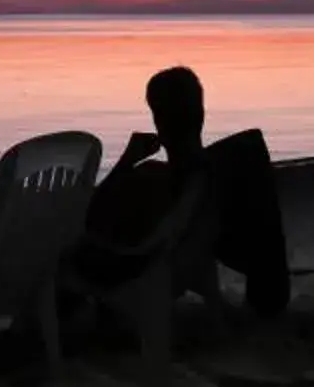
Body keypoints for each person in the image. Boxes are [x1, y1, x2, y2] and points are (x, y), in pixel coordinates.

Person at [82, 66, 290, 316]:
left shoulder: (151, 176)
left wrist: (126, 163)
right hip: (187, 261)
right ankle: (268, 291)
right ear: (201, 114)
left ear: (157, 119)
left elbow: (85, 217)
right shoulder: (214, 175)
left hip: (142, 270)